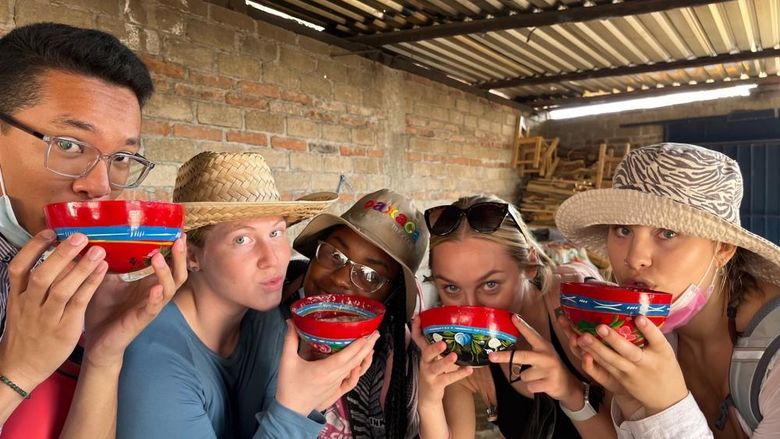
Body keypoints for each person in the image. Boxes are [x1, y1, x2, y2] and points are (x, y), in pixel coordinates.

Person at [0, 23, 187, 438]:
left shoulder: (63, 275)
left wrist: (104, 351)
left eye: (122, 156)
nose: (100, 185)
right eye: (69, 145)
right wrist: (19, 369)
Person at [117, 151, 378, 438]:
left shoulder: (269, 321)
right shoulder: (154, 365)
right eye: (242, 239)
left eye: (276, 233)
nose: (273, 258)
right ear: (191, 255)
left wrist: (314, 396)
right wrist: (294, 409)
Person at [554, 142, 780, 438]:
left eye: (668, 232)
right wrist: (630, 400)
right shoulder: (648, 334)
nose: (634, 258)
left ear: (723, 248)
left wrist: (667, 409)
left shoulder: (773, 355)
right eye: (623, 229)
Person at [412, 195, 616, 439]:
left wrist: (570, 391)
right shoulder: (462, 345)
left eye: (490, 284)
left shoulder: (583, 316)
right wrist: (429, 401)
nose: (471, 309)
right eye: (452, 288)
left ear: (529, 264)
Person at [283, 188, 429, 439]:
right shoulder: (265, 317)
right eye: (334, 255)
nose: (340, 279)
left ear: (391, 296)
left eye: (369, 275)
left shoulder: (399, 363)